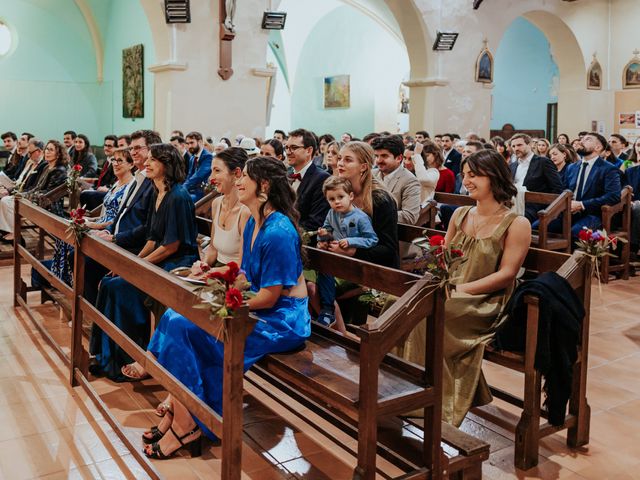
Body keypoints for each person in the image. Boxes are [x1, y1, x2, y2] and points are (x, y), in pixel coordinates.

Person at [140, 156, 310, 458]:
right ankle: (182, 414)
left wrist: (222, 302)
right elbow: (246, 274)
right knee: (173, 316)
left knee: (186, 325)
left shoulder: (278, 231)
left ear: (265, 186)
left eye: (245, 176)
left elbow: (269, 297)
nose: (239, 181)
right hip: (255, 306)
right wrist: (216, 275)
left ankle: (187, 423)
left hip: (281, 319)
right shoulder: (257, 222)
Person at [402, 149, 531, 426]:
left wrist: (461, 290)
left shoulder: (516, 223)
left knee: (429, 316)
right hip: (452, 291)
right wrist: (436, 280)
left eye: (474, 175)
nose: (466, 180)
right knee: (399, 306)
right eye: (465, 175)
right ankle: (406, 387)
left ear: (494, 177)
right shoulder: (460, 214)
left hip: (486, 300)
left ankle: (432, 399)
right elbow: (444, 259)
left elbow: (507, 274)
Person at [120, 147, 251, 381]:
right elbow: (212, 249)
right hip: (213, 271)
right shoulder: (217, 203)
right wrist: (202, 265)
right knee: (165, 289)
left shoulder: (246, 213)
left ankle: (160, 364)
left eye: (217, 171)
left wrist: (211, 272)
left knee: (174, 300)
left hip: (233, 278)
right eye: (211, 170)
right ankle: (159, 361)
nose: (210, 178)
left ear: (236, 173)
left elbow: (243, 261)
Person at [90, 143, 199, 381]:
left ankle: (134, 356)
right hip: (159, 258)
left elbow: (171, 245)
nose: (146, 163)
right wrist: (131, 264)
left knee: (120, 288)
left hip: (177, 263)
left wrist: (138, 268)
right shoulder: (157, 191)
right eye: (147, 159)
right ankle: (106, 357)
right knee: (109, 282)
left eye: (153, 160)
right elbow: (151, 237)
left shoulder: (178, 196)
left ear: (167, 165)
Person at [315, 176, 378, 327]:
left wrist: (351, 241)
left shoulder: (360, 217)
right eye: (331, 199)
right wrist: (323, 236)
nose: (336, 202)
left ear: (350, 196)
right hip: (336, 259)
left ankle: (330, 312)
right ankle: (328, 312)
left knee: (325, 274)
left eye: (340, 197)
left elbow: (372, 239)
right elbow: (328, 230)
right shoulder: (332, 213)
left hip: (353, 264)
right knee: (321, 271)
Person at [0, 140, 66, 242]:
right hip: (37, 199)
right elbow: (36, 187)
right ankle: (10, 232)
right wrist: (22, 194)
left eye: (51, 150)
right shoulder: (47, 167)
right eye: (47, 149)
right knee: (6, 199)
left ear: (58, 154)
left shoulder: (59, 170)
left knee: (6, 201)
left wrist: (24, 196)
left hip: (47, 206)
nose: (47, 152)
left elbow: (49, 195)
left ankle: (14, 234)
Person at [559, 132, 621, 239]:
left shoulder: (608, 169)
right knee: (537, 226)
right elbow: (564, 190)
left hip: (594, 214)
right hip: (569, 211)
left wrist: (582, 204)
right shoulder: (572, 167)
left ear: (598, 147)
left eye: (587, 139)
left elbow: (613, 196)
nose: (581, 141)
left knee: (575, 233)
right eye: (582, 139)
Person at [509, 133, 564, 222]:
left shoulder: (543, 162)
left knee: (514, 220)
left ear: (530, 145)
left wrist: (550, 211)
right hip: (514, 204)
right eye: (513, 146)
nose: (516, 149)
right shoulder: (512, 166)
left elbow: (557, 188)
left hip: (536, 207)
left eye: (519, 145)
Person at [372, 135, 421, 225]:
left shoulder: (409, 181)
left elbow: (409, 216)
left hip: (392, 231)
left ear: (399, 158)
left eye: (384, 156)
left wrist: (373, 214)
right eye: (376, 156)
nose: (378, 160)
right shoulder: (371, 174)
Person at [80, 135, 119, 210]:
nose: (106, 148)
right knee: (79, 186)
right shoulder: (106, 161)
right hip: (99, 187)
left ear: (116, 148)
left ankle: (89, 215)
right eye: (105, 145)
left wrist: (108, 188)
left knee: (85, 194)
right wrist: (92, 187)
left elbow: (115, 181)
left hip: (109, 191)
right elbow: (101, 179)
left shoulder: (116, 162)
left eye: (110, 146)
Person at [183, 131, 213, 201]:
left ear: (199, 142)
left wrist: (184, 187)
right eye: (188, 143)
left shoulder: (208, 156)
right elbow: (189, 175)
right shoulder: (192, 157)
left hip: (203, 192)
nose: (189, 146)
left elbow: (199, 175)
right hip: (192, 190)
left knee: (182, 200)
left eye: (192, 143)